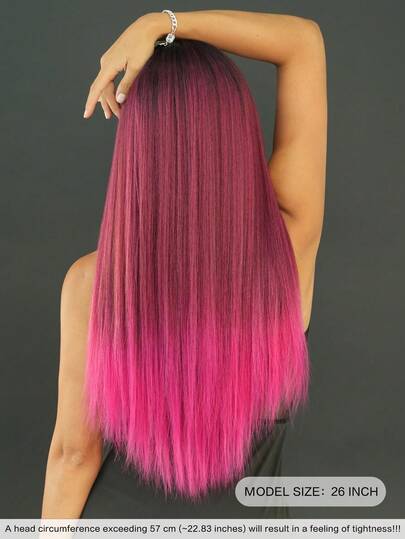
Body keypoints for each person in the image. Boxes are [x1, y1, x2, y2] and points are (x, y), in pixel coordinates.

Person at [41, 9, 327, 518]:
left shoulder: (93, 284)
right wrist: (162, 23)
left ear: (138, 149)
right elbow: (302, 43)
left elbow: (73, 455)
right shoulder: (288, 250)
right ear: (238, 134)